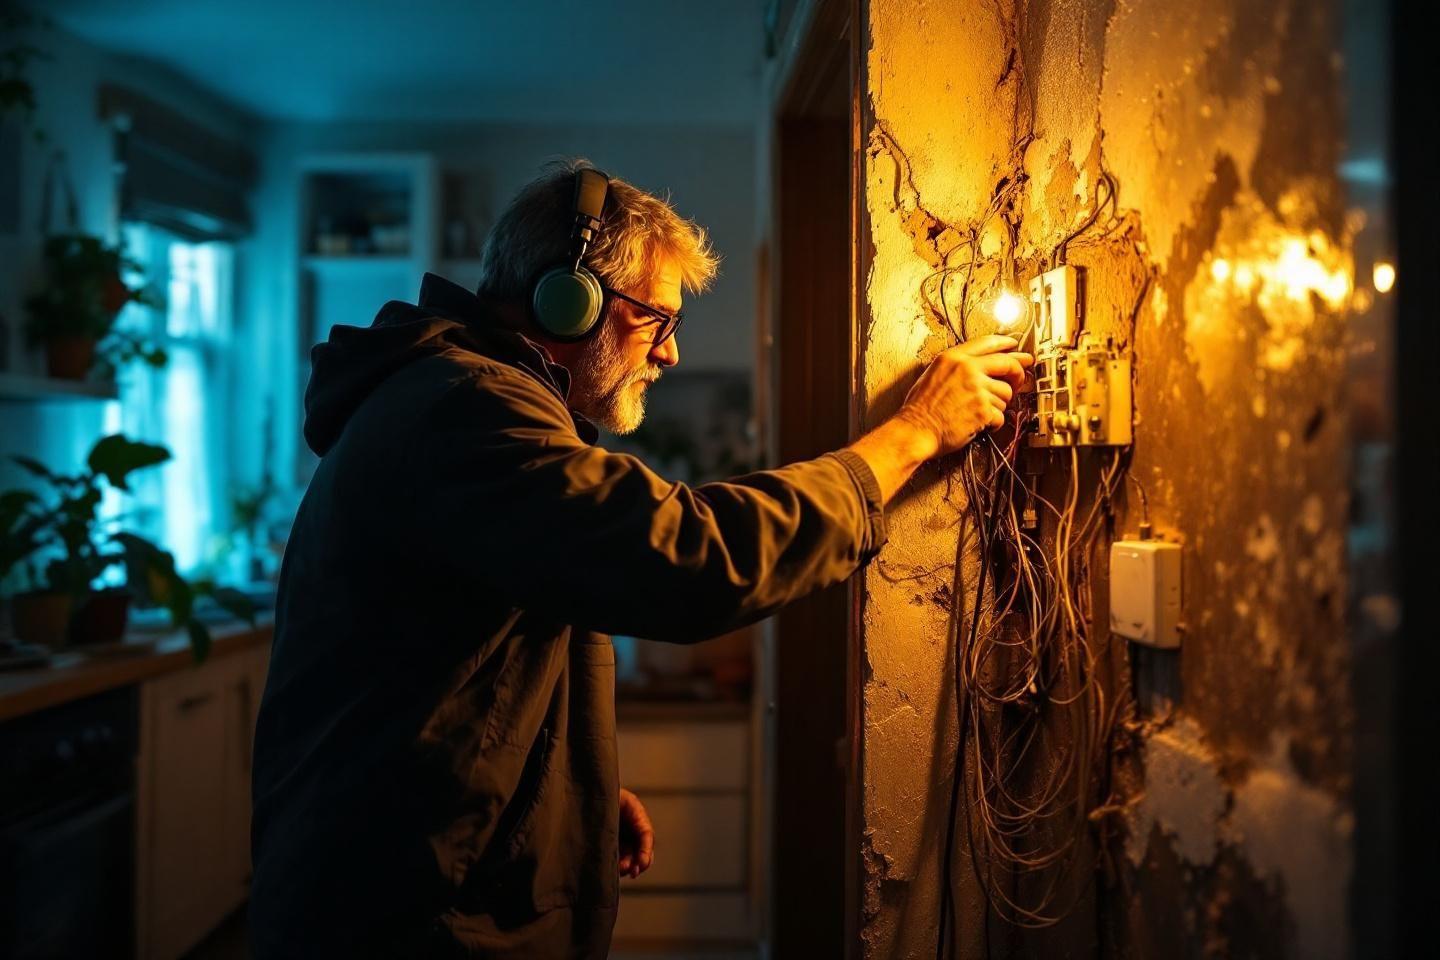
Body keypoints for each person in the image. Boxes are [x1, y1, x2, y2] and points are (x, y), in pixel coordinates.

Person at [249, 160, 1031, 959]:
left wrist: (555, 790)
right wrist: (916, 433)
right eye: (655, 320)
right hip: (403, 916)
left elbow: (453, 669)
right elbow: (686, 558)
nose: (669, 355)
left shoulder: (462, 402)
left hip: (414, 874)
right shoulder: (467, 413)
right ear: (570, 298)